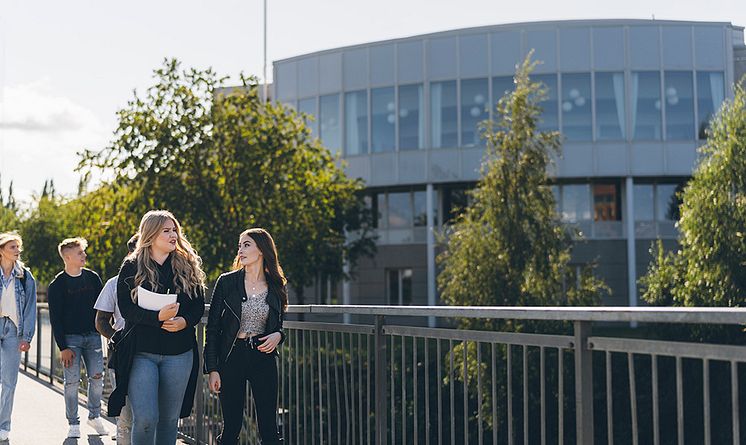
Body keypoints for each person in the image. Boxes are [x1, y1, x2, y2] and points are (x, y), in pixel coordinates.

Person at [111, 210, 205, 445]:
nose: (173, 234)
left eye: (174, 230)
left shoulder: (187, 265)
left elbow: (197, 307)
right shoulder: (131, 266)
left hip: (180, 353)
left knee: (169, 420)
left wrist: (184, 321)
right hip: (141, 352)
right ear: (151, 234)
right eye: (167, 231)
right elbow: (125, 308)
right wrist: (157, 318)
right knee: (145, 418)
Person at [204, 228, 287, 445]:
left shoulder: (276, 285)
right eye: (239, 245)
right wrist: (212, 368)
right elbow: (212, 328)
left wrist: (279, 335)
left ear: (262, 250)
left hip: (262, 356)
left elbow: (279, 325)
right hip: (232, 356)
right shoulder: (226, 282)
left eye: (246, 245)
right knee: (231, 425)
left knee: (269, 427)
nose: (240, 250)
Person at [47, 237, 110, 438]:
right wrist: (63, 346)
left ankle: (94, 416)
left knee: (97, 378)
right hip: (70, 340)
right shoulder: (57, 285)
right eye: (80, 253)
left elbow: (103, 309)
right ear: (67, 257)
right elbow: (55, 318)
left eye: (83, 252)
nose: (84, 255)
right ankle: (73, 423)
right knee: (71, 382)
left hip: (93, 337)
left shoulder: (93, 278)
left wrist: (106, 332)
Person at [94, 234, 138, 444]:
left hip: (156, 351)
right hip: (122, 354)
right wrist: (117, 337)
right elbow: (101, 320)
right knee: (126, 414)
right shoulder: (114, 283)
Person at [0, 232, 36, 441]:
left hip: (14, 330)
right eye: (13, 246)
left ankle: (4, 425)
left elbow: (31, 307)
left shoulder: (24, 275)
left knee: (10, 382)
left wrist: (27, 337)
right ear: (2, 249)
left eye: (18, 247)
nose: (17, 250)